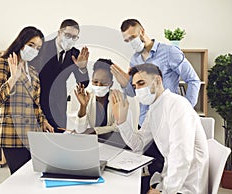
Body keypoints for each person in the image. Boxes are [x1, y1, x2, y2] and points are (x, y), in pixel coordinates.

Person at [111, 18, 201, 182]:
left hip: (168, 119)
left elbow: (193, 80)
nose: (131, 42)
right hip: (147, 120)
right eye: (127, 41)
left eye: (132, 37)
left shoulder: (169, 52)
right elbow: (135, 92)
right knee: (151, 170)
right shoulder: (134, 60)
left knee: (167, 166)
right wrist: (125, 83)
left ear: (142, 32)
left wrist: (185, 110)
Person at [111, 63, 209, 194]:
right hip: (168, 179)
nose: (138, 90)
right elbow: (138, 145)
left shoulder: (177, 104)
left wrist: (165, 191)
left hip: (186, 186)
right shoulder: (153, 109)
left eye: (141, 83)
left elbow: (181, 156)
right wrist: (122, 121)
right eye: (135, 86)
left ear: (157, 80)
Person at [0, 26, 54, 175]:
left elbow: (35, 103)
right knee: (19, 178)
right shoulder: (2, 63)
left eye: (38, 48)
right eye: (31, 45)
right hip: (12, 134)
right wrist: (13, 78)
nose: (34, 50)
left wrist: (43, 120)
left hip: (33, 134)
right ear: (21, 42)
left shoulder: (33, 72)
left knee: (34, 177)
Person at [29, 19, 89, 133]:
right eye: (67, 35)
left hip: (59, 107)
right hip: (38, 103)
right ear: (59, 32)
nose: (70, 39)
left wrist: (82, 68)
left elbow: (83, 84)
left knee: (57, 144)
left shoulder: (75, 54)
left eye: (74, 37)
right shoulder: (42, 48)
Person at [70, 58, 117, 135]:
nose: (99, 85)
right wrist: (83, 106)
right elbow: (79, 129)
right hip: (92, 142)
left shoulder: (119, 98)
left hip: (113, 143)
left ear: (111, 83)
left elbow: (117, 127)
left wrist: (94, 130)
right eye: (95, 82)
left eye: (103, 82)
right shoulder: (87, 97)